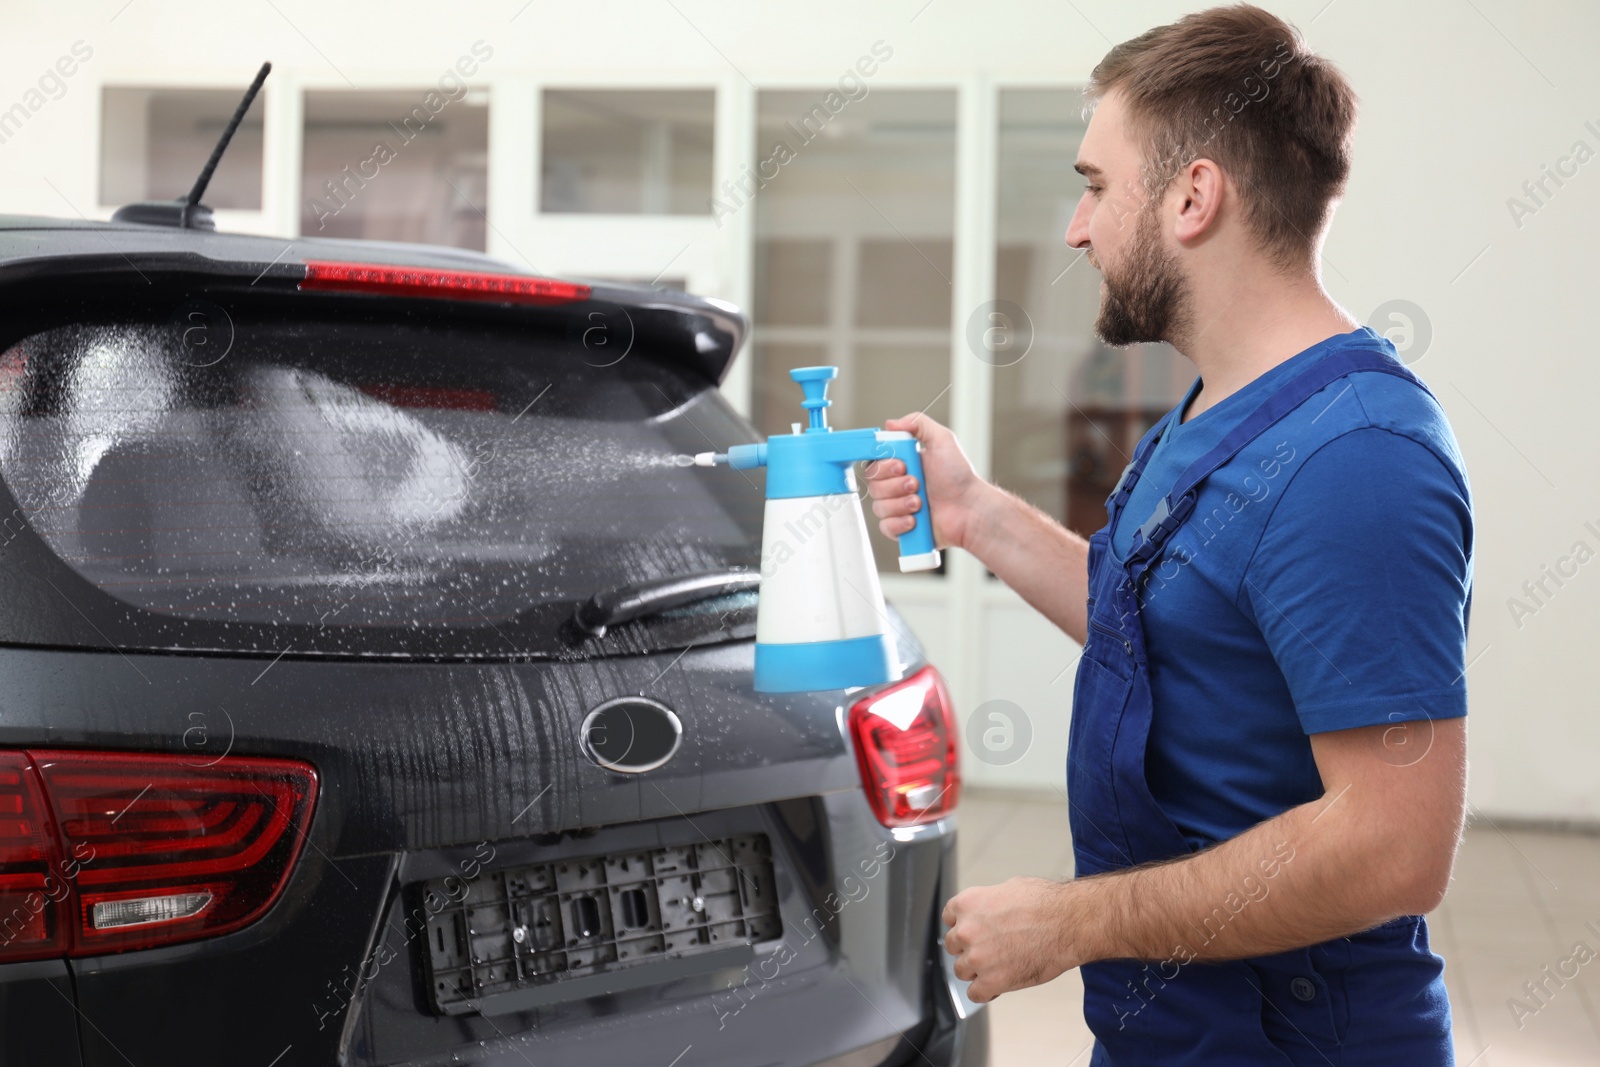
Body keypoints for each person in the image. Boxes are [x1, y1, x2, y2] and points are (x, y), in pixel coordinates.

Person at [864, 5, 1473, 1064]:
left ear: (1193, 195)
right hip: (1172, 1026)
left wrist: (1071, 920)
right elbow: (1150, 623)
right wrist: (977, 514)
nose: (1075, 227)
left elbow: (1392, 847)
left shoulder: (1357, 461)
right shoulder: (1208, 411)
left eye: (1095, 184)